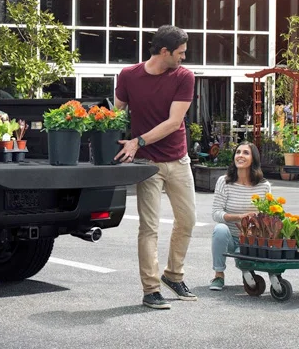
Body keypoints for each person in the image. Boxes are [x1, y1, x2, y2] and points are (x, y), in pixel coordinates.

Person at [114, 25, 197, 310]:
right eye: (181, 53)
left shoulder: (184, 77)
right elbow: (116, 111)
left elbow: (175, 122)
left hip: (178, 159)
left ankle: (173, 274)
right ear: (164, 52)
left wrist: (137, 140)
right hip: (147, 164)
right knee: (149, 228)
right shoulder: (128, 76)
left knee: (187, 221)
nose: (184, 58)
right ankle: (151, 289)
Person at [209, 142, 271, 291]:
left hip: (250, 240)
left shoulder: (264, 186)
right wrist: (240, 217)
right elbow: (216, 213)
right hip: (229, 237)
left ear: (253, 159)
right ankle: (218, 275)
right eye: (238, 152)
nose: (240, 156)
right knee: (220, 229)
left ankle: (248, 271)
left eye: (245, 153)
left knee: (244, 260)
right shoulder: (224, 182)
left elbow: (268, 216)